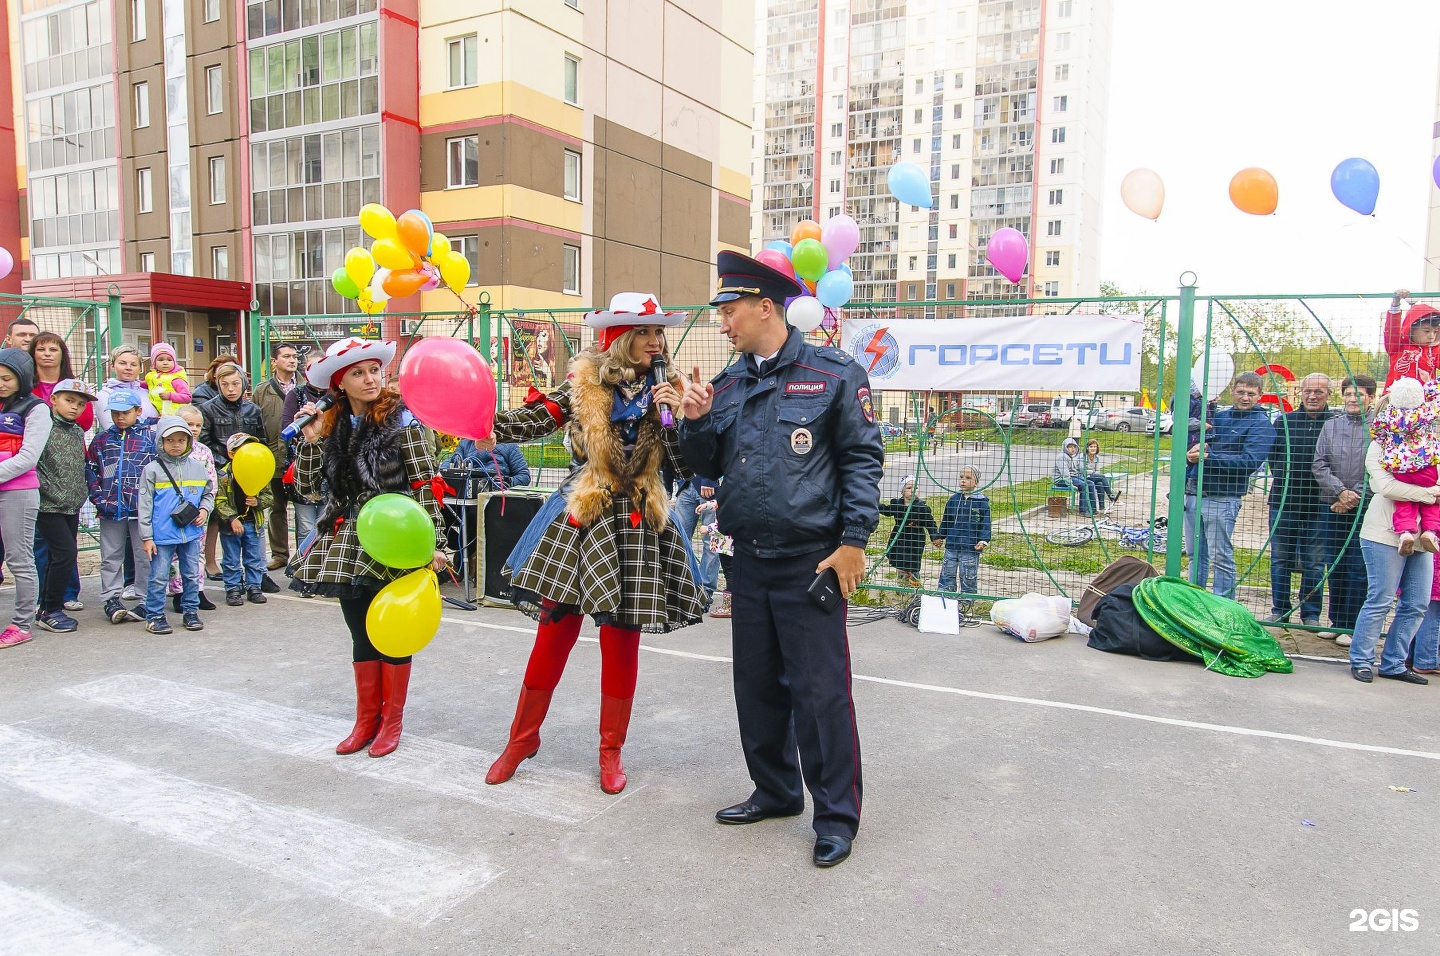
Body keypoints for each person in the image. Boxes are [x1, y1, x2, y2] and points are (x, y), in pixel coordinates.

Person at [679, 253, 884, 869]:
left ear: (764, 306)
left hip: (811, 563)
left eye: (730, 310)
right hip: (750, 560)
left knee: (821, 694)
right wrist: (694, 422)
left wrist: (854, 540)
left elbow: (861, 461)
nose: (723, 324)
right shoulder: (730, 384)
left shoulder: (835, 375)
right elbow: (706, 467)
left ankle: (837, 817)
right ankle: (775, 790)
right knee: (758, 688)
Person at [481, 292, 704, 795]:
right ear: (618, 339)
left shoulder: (669, 388)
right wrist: (486, 425)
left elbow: (686, 469)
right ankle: (521, 739)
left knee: (621, 640)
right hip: (584, 514)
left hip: (638, 522)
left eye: (657, 332)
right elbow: (537, 419)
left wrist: (684, 420)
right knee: (553, 631)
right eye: (644, 332)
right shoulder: (582, 382)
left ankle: (610, 751)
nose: (655, 341)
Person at [291, 337, 448, 759]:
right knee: (361, 632)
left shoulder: (404, 422)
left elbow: (426, 484)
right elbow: (307, 490)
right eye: (358, 373)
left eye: (374, 370)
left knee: (393, 632)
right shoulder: (333, 426)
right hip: (348, 540)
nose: (369, 379)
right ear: (340, 383)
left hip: (396, 536)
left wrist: (435, 544)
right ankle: (366, 721)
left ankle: (392, 723)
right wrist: (309, 442)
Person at [1347, 427, 1439, 685]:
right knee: (1381, 599)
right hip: (1383, 533)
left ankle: (1393, 662)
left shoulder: (1430, 444)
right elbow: (1387, 487)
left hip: (1423, 537)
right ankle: (1361, 660)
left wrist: (1427, 490)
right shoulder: (1379, 446)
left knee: (1417, 603)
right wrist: (1429, 493)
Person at [1184, 371, 1275, 599]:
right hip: (1194, 492)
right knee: (1195, 555)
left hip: (1222, 497)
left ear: (1260, 395)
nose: (1245, 397)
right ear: (1232, 390)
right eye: (1241, 392)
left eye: (1251, 394)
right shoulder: (1219, 417)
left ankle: (1224, 605)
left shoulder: (1261, 425)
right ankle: (1195, 600)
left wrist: (1208, 457)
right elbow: (1198, 444)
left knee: (1220, 556)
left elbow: (1249, 462)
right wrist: (1191, 453)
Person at [199, 362, 275, 592]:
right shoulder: (208, 409)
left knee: (255, 526)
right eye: (225, 385)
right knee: (228, 525)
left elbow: (261, 439)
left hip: (252, 474)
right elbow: (205, 442)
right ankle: (231, 578)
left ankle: (257, 575)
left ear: (243, 383)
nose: (231, 389)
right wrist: (227, 462)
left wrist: (252, 462)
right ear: (218, 385)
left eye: (235, 384)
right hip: (224, 474)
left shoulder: (253, 410)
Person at [1311, 374, 1376, 645]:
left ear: (1370, 398)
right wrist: (1340, 492)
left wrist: (1357, 496)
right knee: (1335, 563)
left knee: (1358, 567)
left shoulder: (1379, 427)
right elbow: (1319, 463)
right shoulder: (1331, 426)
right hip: (1334, 506)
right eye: (1348, 394)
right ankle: (1337, 621)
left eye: (1358, 395)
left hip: (1367, 508)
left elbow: (1379, 468)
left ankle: (1352, 626)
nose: (1352, 399)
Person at [29, 331, 91, 612]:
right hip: (48, 503)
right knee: (62, 553)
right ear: (54, 399)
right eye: (69, 400)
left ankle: (48, 603)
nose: (75, 407)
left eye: (80, 403)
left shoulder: (77, 430)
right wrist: (46, 489)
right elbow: (33, 460)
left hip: (71, 503)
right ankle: (49, 607)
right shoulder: (42, 424)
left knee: (62, 555)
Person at [1265, 372, 1333, 625]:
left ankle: (1311, 613)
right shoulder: (1284, 422)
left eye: (1319, 392)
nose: (1313, 396)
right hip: (1285, 501)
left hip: (1320, 504)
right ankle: (1279, 609)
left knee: (1315, 562)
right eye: (1308, 391)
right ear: (1300, 393)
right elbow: (1274, 459)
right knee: (1280, 557)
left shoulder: (1334, 423)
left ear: (1328, 394)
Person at [138, 416, 214, 634]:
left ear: (189, 442)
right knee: (159, 576)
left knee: (191, 574)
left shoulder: (198, 469)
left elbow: (208, 494)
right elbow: (144, 505)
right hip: (161, 536)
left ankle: (191, 611)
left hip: (191, 534)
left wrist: (204, 510)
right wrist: (147, 537)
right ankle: (154, 616)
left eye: (181, 440)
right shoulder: (152, 470)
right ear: (160, 441)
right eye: (170, 440)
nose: (176, 445)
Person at [86, 389, 155, 625]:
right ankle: (111, 598)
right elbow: (91, 469)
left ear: (138, 411)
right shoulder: (102, 439)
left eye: (125, 412)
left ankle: (146, 598)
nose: (119, 418)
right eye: (115, 413)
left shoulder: (150, 439)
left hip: (141, 510)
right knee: (110, 555)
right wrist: (98, 497)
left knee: (144, 554)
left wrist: (152, 501)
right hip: (110, 509)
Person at [0, 348, 53, 647]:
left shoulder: (37, 408)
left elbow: (28, 458)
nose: (1, 383)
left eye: (7, 378)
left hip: (18, 492)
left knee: (19, 560)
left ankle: (22, 624)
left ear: (21, 377)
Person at [1367, 377, 1440, 556]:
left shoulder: (1388, 418)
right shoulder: (1426, 413)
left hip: (1399, 466)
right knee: (1429, 496)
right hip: (1425, 466)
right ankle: (1430, 531)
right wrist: (1431, 381)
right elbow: (1388, 488)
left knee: (1404, 502)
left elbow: (1376, 431)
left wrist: (1389, 440)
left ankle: (1406, 531)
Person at [215, 433, 274, 606]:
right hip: (230, 526)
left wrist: (258, 502)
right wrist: (232, 518)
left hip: (253, 524)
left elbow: (269, 497)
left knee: (254, 558)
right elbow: (219, 501)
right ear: (232, 453)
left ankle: (254, 587)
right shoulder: (223, 476)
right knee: (231, 559)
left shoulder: (260, 471)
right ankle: (233, 588)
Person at [254, 344, 299, 571]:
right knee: (277, 508)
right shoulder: (262, 391)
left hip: (301, 461)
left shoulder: (305, 388)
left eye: (294, 356)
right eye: (286, 356)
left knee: (304, 511)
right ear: (274, 362)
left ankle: (305, 555)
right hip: (272, 458)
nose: (292, 360)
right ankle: (280, 554)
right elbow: (253, 423)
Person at [173, 404, 218, 612]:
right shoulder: (170, 451)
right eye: (189, 424)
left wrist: (205, 509)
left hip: (199, 512)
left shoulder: (203, 452)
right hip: (174, 513)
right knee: (175, 553)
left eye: (198, 425)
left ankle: (197, 591)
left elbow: (212, 483)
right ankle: (178, 592)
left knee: (197, 551)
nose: (194, 429)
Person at [936, 466, 991, 597]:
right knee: (947, 574)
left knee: (968, 577)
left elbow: (985, 524)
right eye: (961, 478)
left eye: (968, 478)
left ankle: (967, 602)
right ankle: (945, 599)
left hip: (970, 548)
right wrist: (940, 536)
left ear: (976, 482)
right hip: (952, 546)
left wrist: (983, 541)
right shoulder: (954, 499)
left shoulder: (981, 502)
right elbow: (947, 520)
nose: (963, 481)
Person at [879, 476, 938, 588]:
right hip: (899, 540)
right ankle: (901, 587)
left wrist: (935, 536)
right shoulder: (897, 505)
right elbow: (887, 511)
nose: (912, 490)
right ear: (902, 491)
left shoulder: (921, 507)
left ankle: (915, 587)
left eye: (915, 488)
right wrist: (875, 504)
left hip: (915, 542)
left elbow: (930, 523)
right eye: (909, 488)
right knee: (900, 562)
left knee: (913, 564)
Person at [1382, 289, 1440, 388]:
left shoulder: (1435, 350)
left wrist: (1430, 383)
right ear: (1411, 329)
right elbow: (1392, 329)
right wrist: (1396, 304)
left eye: (1435, 332)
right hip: (1395, 398)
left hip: (1423, 400)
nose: (1432, 336)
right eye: (1426, 331)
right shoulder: (1398, 346)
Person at [96, 344, 158, 432]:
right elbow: (111, 428)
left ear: (140, 368)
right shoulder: (105, 394)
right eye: (122, 363)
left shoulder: (148, 392)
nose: (128, 368)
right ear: (112, 366)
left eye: (133, 364)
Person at [442, 438, 532, 490]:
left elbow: (524, 476)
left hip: (496, 498)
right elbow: (450, 461)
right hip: (466, 495)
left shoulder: (509, 445)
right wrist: (442, 472)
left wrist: (505, 483)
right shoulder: (465, 444)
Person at [143, 342, 192, 417]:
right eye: (161, 360)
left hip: (175, 414)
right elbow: (149, 384)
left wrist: (170, 396)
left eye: (169, 360)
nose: (165, 363)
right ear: (154, 362)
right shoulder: (152, 376)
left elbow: (187, 397)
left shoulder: (176, 379)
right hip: (160, 413)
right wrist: (138, 383)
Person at [1053, 437, 1097, 515]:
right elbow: (1065, 473)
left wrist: (1082, 477)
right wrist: (1070, 484)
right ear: (1065, 447)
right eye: (1070, 447)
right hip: (1061, 479)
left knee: (1090, 484)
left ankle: (1092, 509)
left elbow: (1077, 471)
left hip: (1074, 478)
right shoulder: (1061, 457)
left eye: (1074, 447)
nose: (1072, 449)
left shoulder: (1074, 457)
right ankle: (1083, 511)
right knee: (1084, 485)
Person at [1081, 438, 1120, 507]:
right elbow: (1082, 470)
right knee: (1103, 477)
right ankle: (1111, 496)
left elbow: (1098, 470)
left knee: (1100, 484)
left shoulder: (1096, 458)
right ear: (1087, 448)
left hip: (1092, 476)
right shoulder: (1083, 457)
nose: (1093, 448)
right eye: (1091, 447)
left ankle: (1102, 507)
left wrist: (1092, 473)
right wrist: (1092, 472)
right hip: (1083, 477)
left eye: (1095, 447)